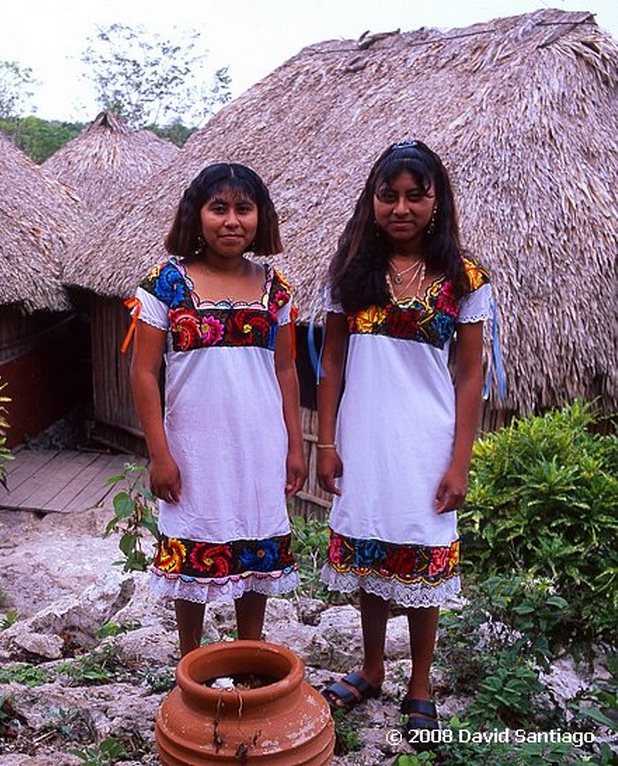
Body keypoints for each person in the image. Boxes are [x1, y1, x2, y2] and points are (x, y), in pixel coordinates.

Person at [315, 140, 492, 742]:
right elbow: (331, 362)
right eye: (388, 195)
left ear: (436, 201)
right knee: (370, 556)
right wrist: (326, 443)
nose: (401, 207)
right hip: (362, 440)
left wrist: (458, 461)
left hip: (424, 443)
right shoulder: (350, 274)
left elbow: (470, 375)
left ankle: (419, 682)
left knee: (419, 556)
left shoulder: (465, 279)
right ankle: (369, 670)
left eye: (416, 195)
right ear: (372, 202)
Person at [128, 162, 306, 657]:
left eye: (243, 209)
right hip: (194, 449)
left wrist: (295, 446)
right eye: (219, 208)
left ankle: (250, 658)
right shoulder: (165, 284)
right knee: (195, 545)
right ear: (196, 215)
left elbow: (287, 371)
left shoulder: (277, 289)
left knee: (254, 545)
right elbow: (143, 373)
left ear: (260, 218)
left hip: (258, 445)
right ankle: (192, 662)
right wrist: (160, 455)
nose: (232, 221)